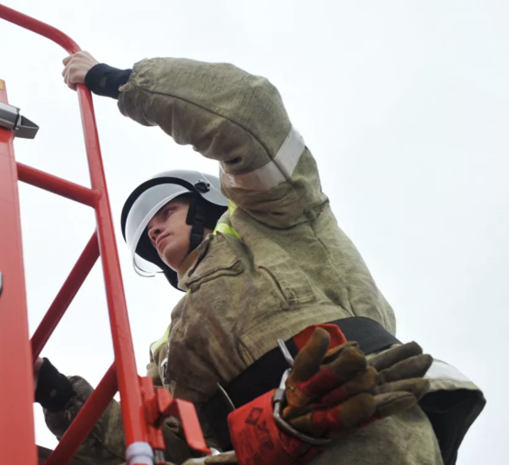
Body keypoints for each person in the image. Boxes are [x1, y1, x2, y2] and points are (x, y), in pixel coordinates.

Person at [34, 52, 485, 465]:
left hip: (362, 424)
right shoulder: (171, 349)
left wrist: (121, 83)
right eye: (146, 237)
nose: (153, 230)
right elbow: (151, 441)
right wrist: (56, 393)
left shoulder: (275, 219)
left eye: (166, 209)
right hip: (264, 453)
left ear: (207, 202)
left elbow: (249, 111)